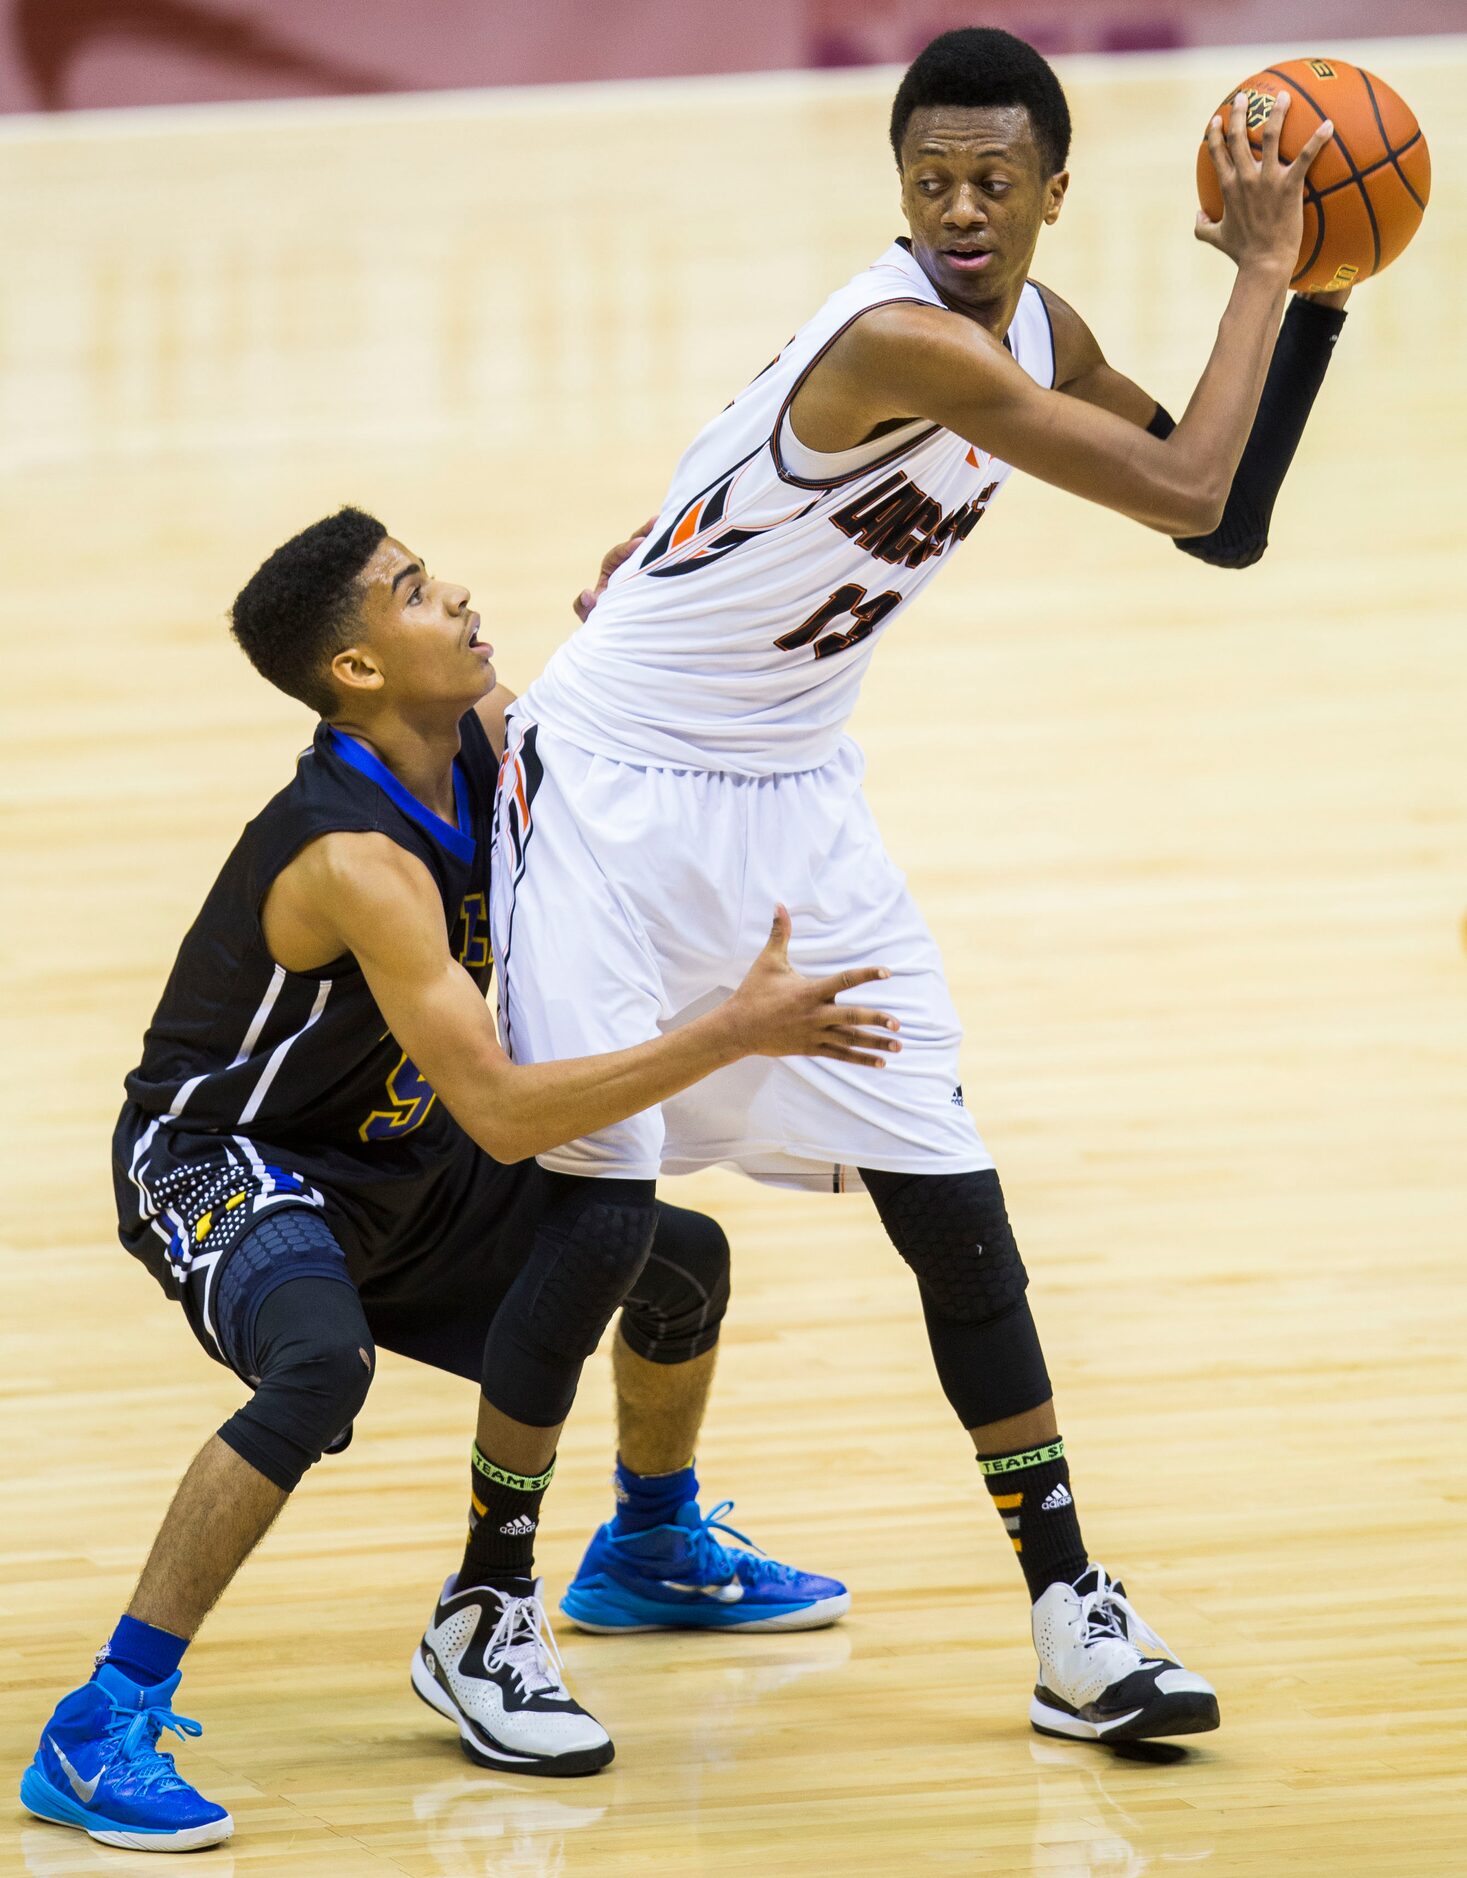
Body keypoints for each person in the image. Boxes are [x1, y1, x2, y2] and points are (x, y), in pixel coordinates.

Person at [495, 27, 1352, 1747]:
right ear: (901, 192)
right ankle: (488, 1608)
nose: (961, 210)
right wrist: (1267, 261)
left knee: (949, 1196)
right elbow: (1187, 478)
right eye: (928, 180)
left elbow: (1220, 518)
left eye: (992, 182)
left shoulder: (1036, 334)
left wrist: (1320, 289)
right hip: (615, 787)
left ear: (1051, 193)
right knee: (598, 1210)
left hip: (793, 801)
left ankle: (1069, 1611)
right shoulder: (901, 336)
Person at [20, 508, 899, 1852]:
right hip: (225, 1157)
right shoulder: (353, 856)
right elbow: (497, 1110)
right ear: (360, 670)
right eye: (416, 591)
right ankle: (104, 1717)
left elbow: (604, 727)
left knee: (678, 1264)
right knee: (317, 1368)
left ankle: (650, 1545)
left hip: (391, 1149)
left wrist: (648, 597)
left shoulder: (480, 731)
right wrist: (729, 1029)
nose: (461, 596)